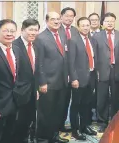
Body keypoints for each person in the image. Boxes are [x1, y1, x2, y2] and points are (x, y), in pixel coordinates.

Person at [34, 12, 69, 143]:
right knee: (45, 112)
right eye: (53, 19)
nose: (56, 21)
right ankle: (43, 138)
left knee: (57, 111)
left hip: (62, 81)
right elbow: (39, 62)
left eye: (58, 19)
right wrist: (42, 82)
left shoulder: (62, 34)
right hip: (48, 82)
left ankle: (54, 136)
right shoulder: (41, 38)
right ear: (47, 21)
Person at [93, 12, 119, 133]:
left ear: (115, 22)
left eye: (112, 21)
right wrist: (96, 70)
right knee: (101, 97)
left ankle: (114, 120)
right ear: (103, 23)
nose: (110, 23)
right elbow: (95, 54)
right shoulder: (97, 36)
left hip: (116, 69)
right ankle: (102, 122)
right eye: (107, 21)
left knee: (115, 97)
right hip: (102, 70)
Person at [68, 17, 99, 141]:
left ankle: (84, 126)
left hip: (90, 76)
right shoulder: (73, 40)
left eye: (88, 25)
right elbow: (71, 62)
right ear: (78, 26)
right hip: (78, 79)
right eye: (83, 25)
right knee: (76, 105)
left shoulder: (92, 39)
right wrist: (74, 79)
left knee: (86, 104)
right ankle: (75, 130)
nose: (86, 27)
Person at [12, 18, 40, 143]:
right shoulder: (14, 46)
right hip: (19, 93)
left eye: (36, 30)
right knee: (18, 123)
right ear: (22, 30)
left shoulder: (35, 45)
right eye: (30, 30)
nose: (33, 33)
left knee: (29, 119)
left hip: (33, 91)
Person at [59, 7, 79, 132]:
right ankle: (59, 125)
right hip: (61, 71)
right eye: (66, 16)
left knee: (74, 101)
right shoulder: (57, 30)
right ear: (61, 17)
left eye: (71, 16)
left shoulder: (75, 30)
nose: (69, 18)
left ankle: (71, 124)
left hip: (74, 70)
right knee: (62, 101)